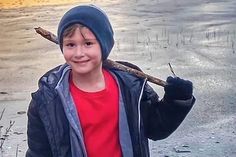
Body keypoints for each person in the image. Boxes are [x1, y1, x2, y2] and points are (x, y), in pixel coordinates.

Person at [26, 4, 196, 157]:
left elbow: (156, 128)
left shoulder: (130, 85)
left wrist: (177, 101)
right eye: (71, 45)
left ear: (104, 45)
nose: (78, 53)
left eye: (88, 43)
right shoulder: (47, 99)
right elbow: (38, 153)